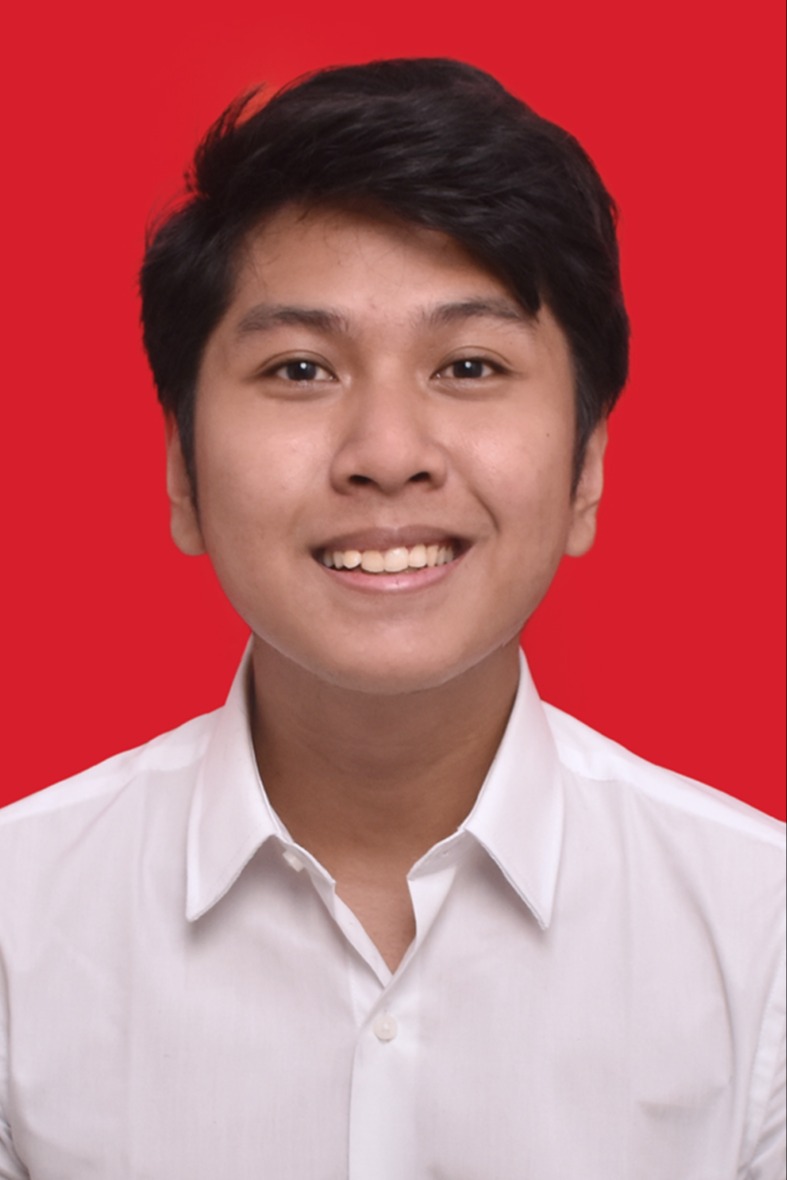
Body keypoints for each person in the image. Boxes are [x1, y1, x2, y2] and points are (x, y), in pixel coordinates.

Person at [0, 58, 783, 1180]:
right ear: (181, 468)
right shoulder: (18, 934)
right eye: (299, 368)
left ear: (586, 468)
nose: (385, 454)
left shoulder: (760, 943)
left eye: (467, 364)